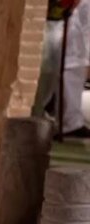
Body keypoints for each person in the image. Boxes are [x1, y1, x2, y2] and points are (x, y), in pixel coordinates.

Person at [33, 0, 90, 137]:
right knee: (64, 78)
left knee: (71, 80)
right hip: (64, 37)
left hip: (72, 43)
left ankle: (71, 122)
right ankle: (65, 122)